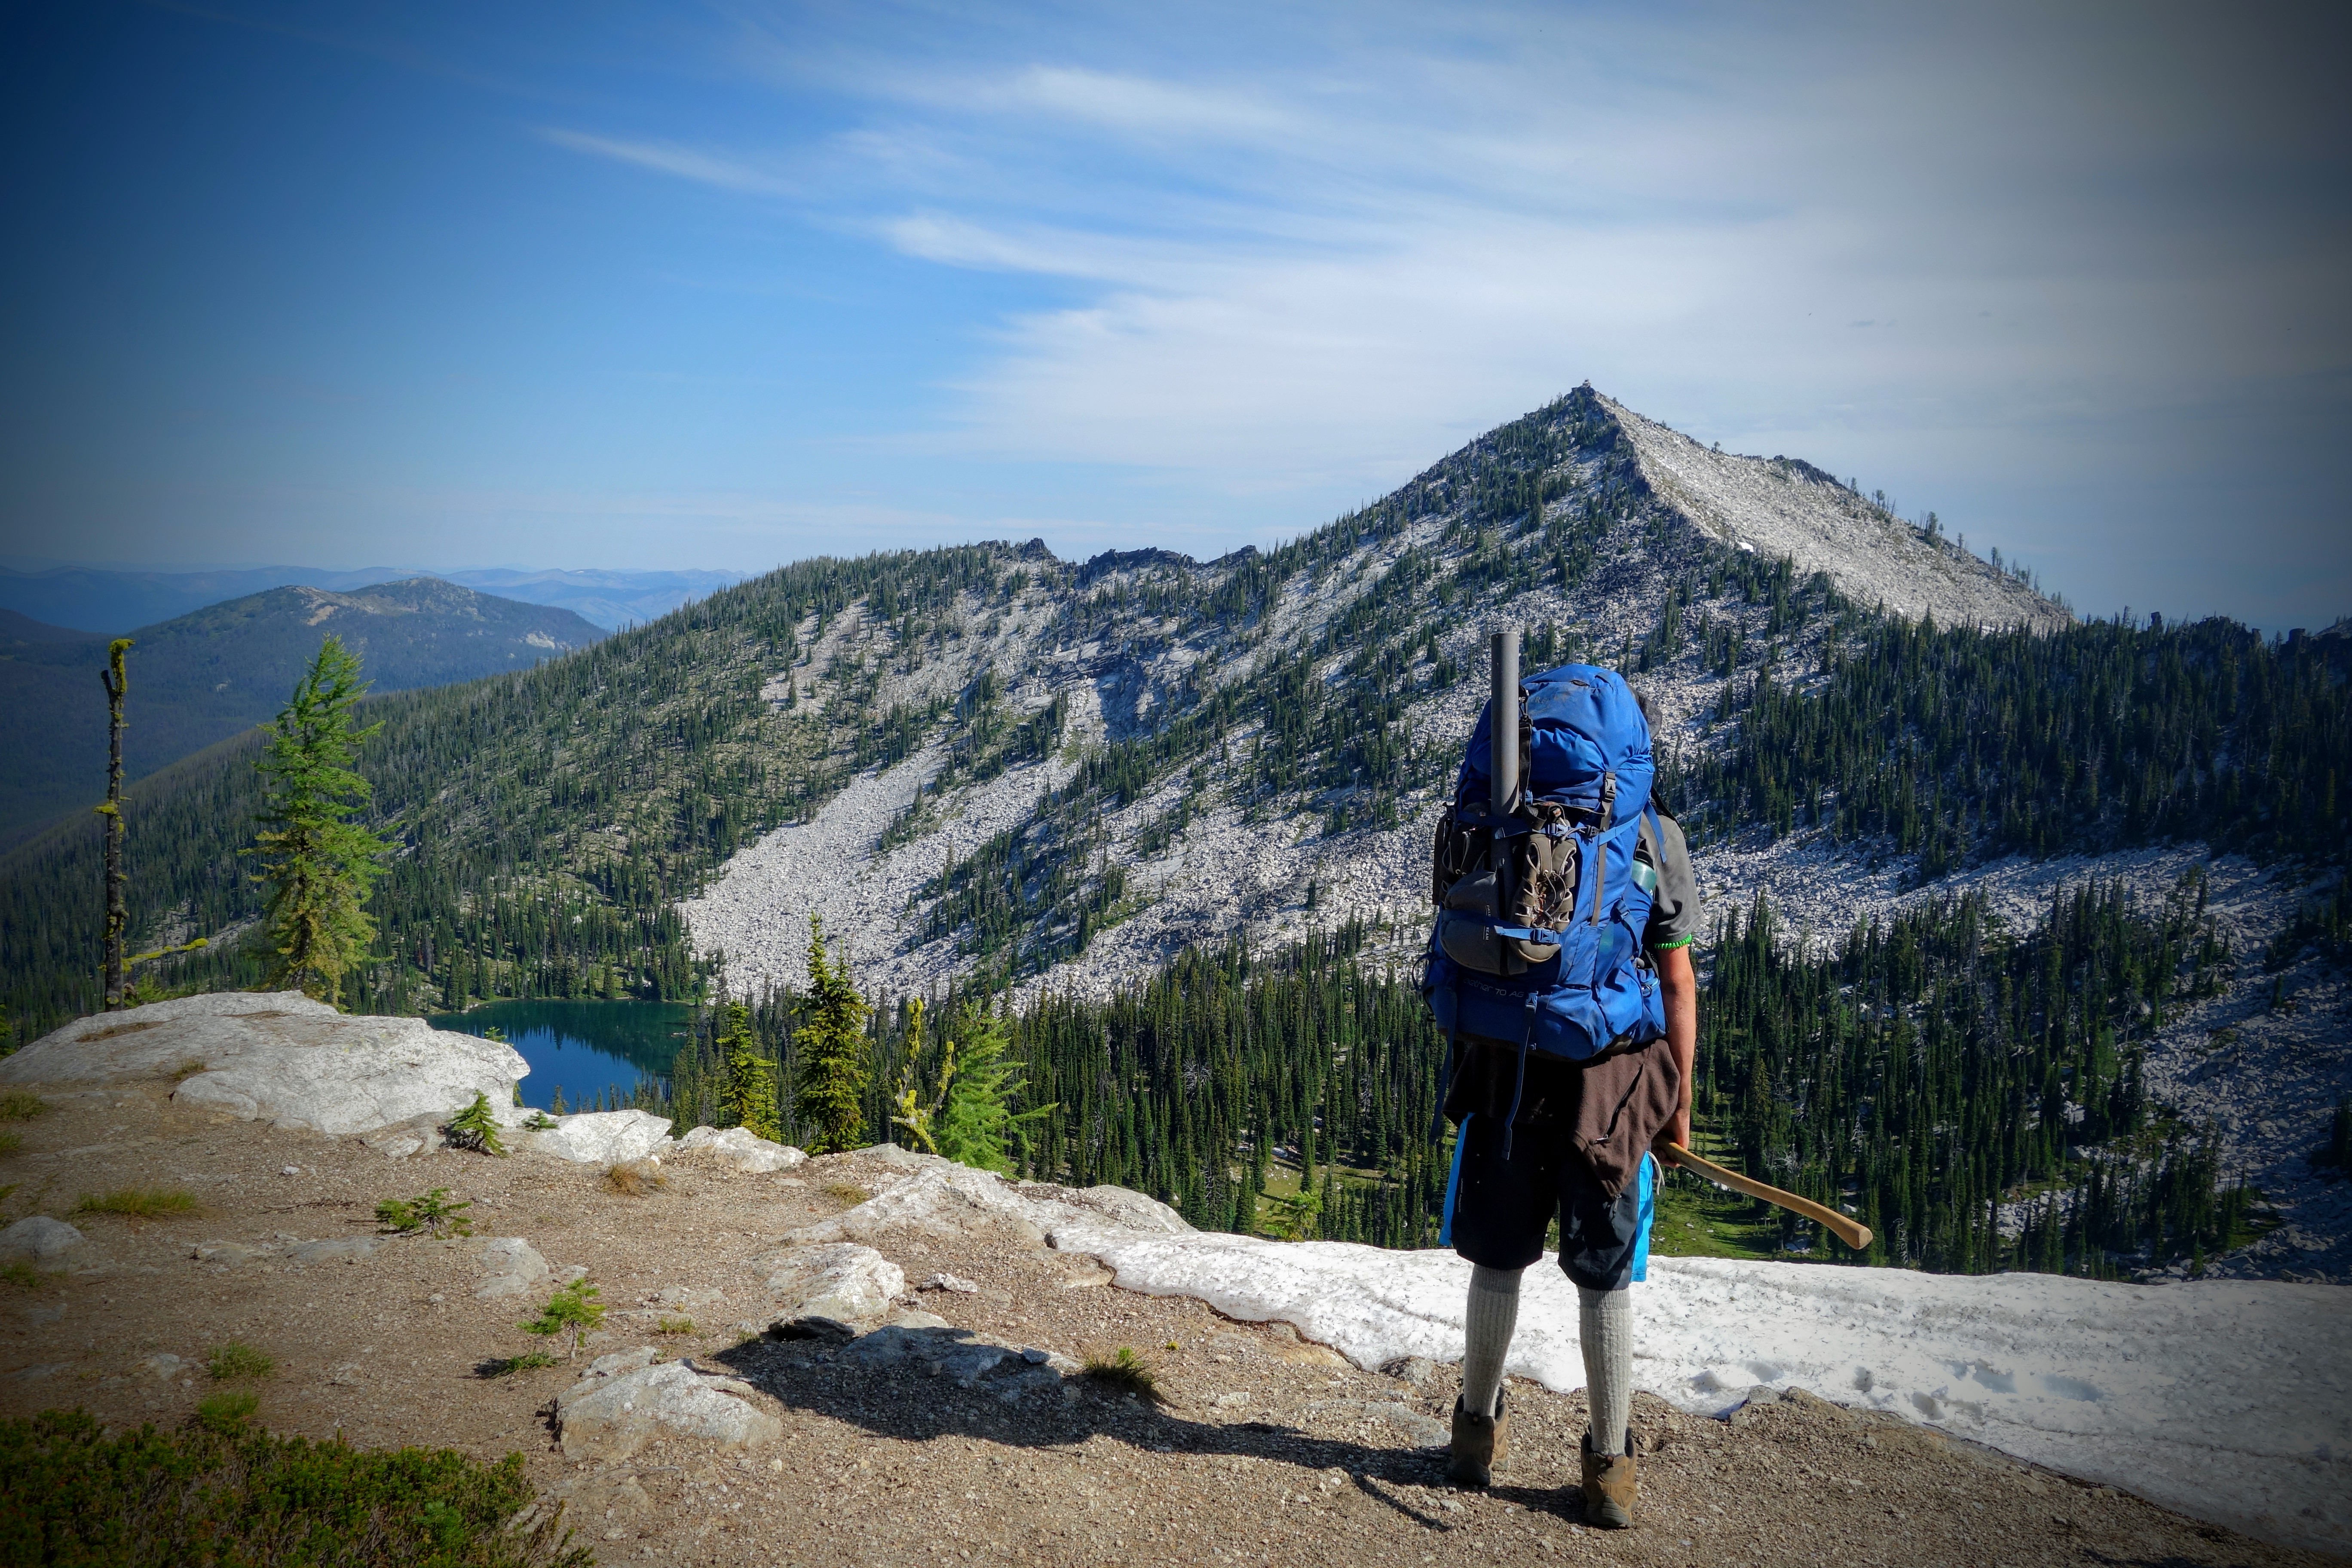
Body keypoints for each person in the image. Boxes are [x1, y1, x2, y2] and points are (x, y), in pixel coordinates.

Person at [1438, 691, 1701, 1530]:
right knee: (1603, 1276)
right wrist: (1677, 1104)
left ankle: (1474, 1436)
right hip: (1609, 1081)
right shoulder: (1650, 836)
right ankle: (1609, 1470)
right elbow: (1677, 979)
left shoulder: (1503, 811)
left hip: (1503, 1063)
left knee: (1498, 1257)